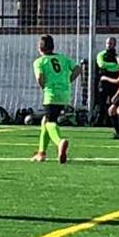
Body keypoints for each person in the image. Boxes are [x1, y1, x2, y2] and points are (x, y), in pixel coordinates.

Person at [31, 35, 81, 163]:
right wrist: (69, 80)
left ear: (39, 48)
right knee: (45, 121)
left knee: (49, 122)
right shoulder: (63, 59)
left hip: (51, 93)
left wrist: (44, 87)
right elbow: (77, 68)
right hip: (64, 93)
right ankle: (41, 153)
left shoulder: (39, 61)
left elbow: (39, 77)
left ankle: (59, 142)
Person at [95, 37, 119, 123]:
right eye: (107, 43)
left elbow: (118, 67)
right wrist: (112, 66)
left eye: (111, 44)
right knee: (101, 103)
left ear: (114, 45)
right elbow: (101, 64)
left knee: (113, 103)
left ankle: (111, 122)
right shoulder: (101, 54)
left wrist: (108, 67)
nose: (109, 45)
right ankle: (99, 121)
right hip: (103, 83)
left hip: (114, 83)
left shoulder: (117, 56)